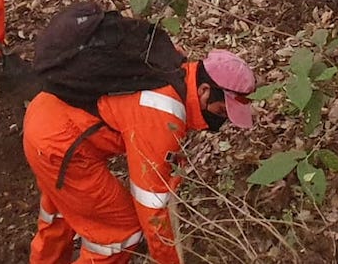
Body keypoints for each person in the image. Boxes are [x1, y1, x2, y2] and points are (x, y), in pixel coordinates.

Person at [23, 48, 257, 263]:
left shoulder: (172, 67)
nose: (222, 120)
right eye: (221, 111)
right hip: (60, 144)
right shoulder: (163, 114)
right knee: (120, 233)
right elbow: (152, 208)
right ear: (204, 91)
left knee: (63, 210)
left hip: (46, 112)